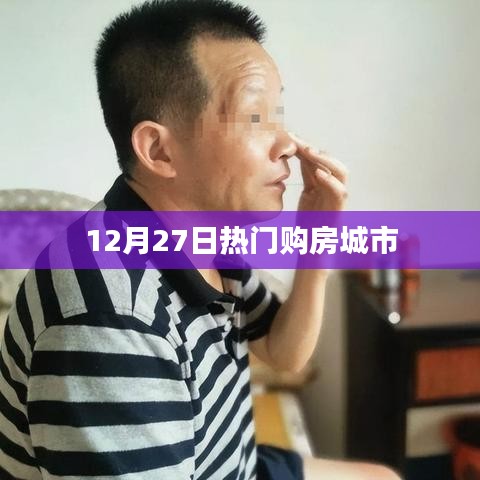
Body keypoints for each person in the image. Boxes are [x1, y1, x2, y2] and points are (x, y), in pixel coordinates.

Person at [0, 0, 402, 478]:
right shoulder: (107, 320)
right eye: (254, 118)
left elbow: (283, 352)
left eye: (277, 114)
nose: (288, 143)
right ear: (159, 150)